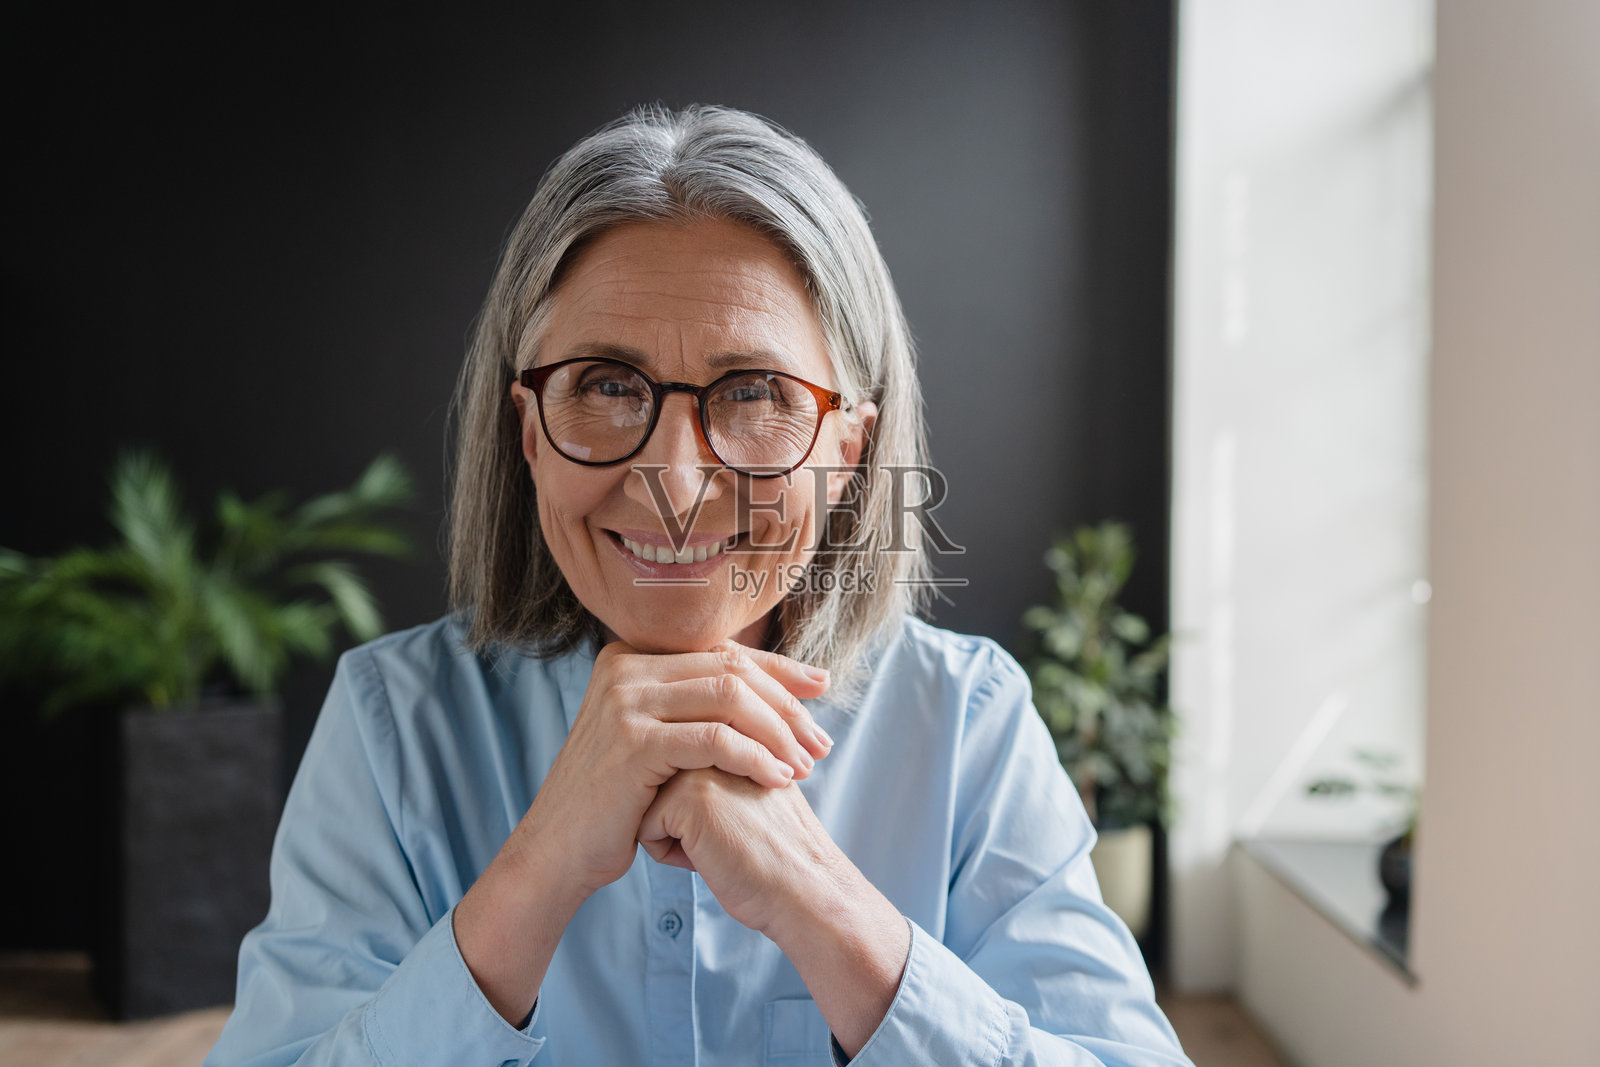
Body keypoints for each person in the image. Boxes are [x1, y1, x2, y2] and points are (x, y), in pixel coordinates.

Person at [207, 104, 1192, 1067]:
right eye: (604, 383)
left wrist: (823, 904)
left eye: (755, 392)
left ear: (847, 447)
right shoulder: (392, 726)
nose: (675, 486)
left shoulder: (967, 724)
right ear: (527, 432)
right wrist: (536, 869)